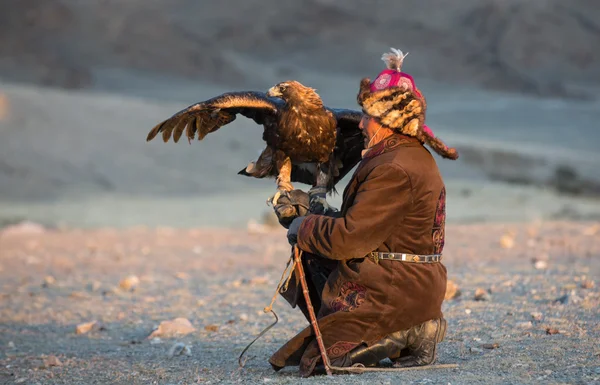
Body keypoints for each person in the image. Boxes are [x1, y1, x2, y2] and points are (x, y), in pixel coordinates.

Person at [269, 48, 459, 377]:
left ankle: (410, 330)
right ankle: (413, 328)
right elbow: (372, 228)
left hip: (396, 289)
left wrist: (302, 226)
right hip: (411, 282)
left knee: (321, 361)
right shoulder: (408, 155)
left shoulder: (393, 166)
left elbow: (351, 239)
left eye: (366, 116)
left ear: (387, 120)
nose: (359, 123)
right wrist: (312, 212)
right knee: (313, 245)